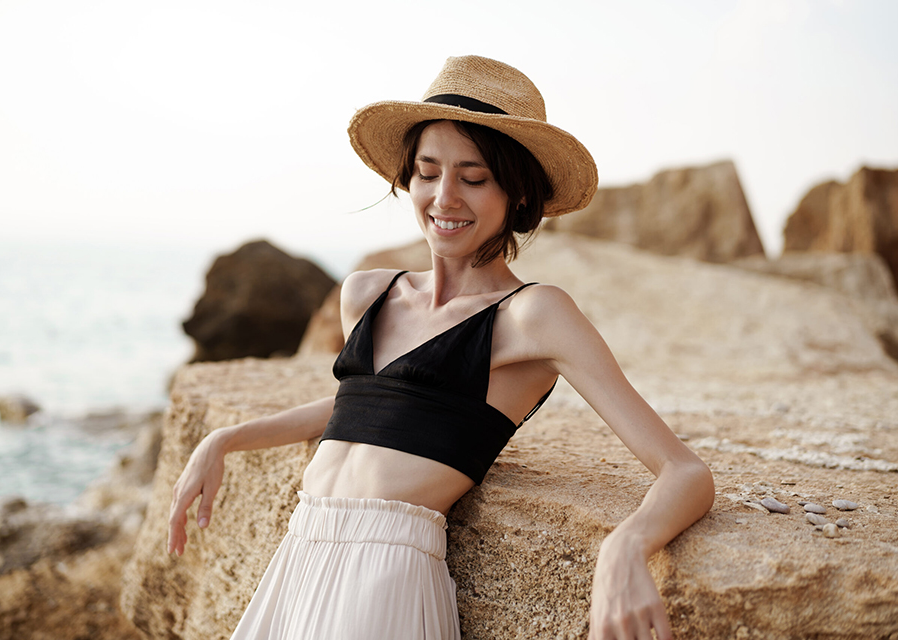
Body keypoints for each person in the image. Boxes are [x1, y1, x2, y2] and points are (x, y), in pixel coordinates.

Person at [166, 55, 715, 640]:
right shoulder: (369, 291)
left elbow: (685, 471)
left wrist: (625, 547)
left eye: (473, 178)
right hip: (300, 555)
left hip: (387, 576)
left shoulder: (533, 314)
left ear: (518, 195)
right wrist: (226, 438)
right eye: (427, 173)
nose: (444, 197)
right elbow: (365, 411)